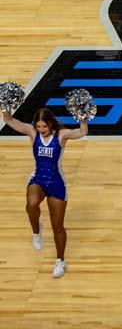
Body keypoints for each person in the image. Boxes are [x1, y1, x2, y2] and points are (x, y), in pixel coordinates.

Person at [2, 107, 88, 277]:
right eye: (39, 127)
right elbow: (9, 121)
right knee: (31, 204)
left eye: (44, 127)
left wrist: (82, 117)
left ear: (51, 124)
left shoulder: (61, 135)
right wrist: (6, 108)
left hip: (56, 182)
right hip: (38, 179)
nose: (41, 130)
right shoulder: (32, 133)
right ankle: (36, 231)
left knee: (58, 227)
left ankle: (60, 262)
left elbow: (82, 132)